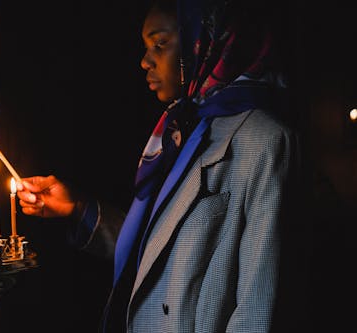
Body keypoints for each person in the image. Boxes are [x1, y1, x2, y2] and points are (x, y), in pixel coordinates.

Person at [16, 0, 304, 332]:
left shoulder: (264, 141)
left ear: (203, 39)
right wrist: (79, 209)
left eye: (160, 43)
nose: (144, 61)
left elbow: (258, 309)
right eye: (146, 46)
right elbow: (159, 257)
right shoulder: (181, 132)